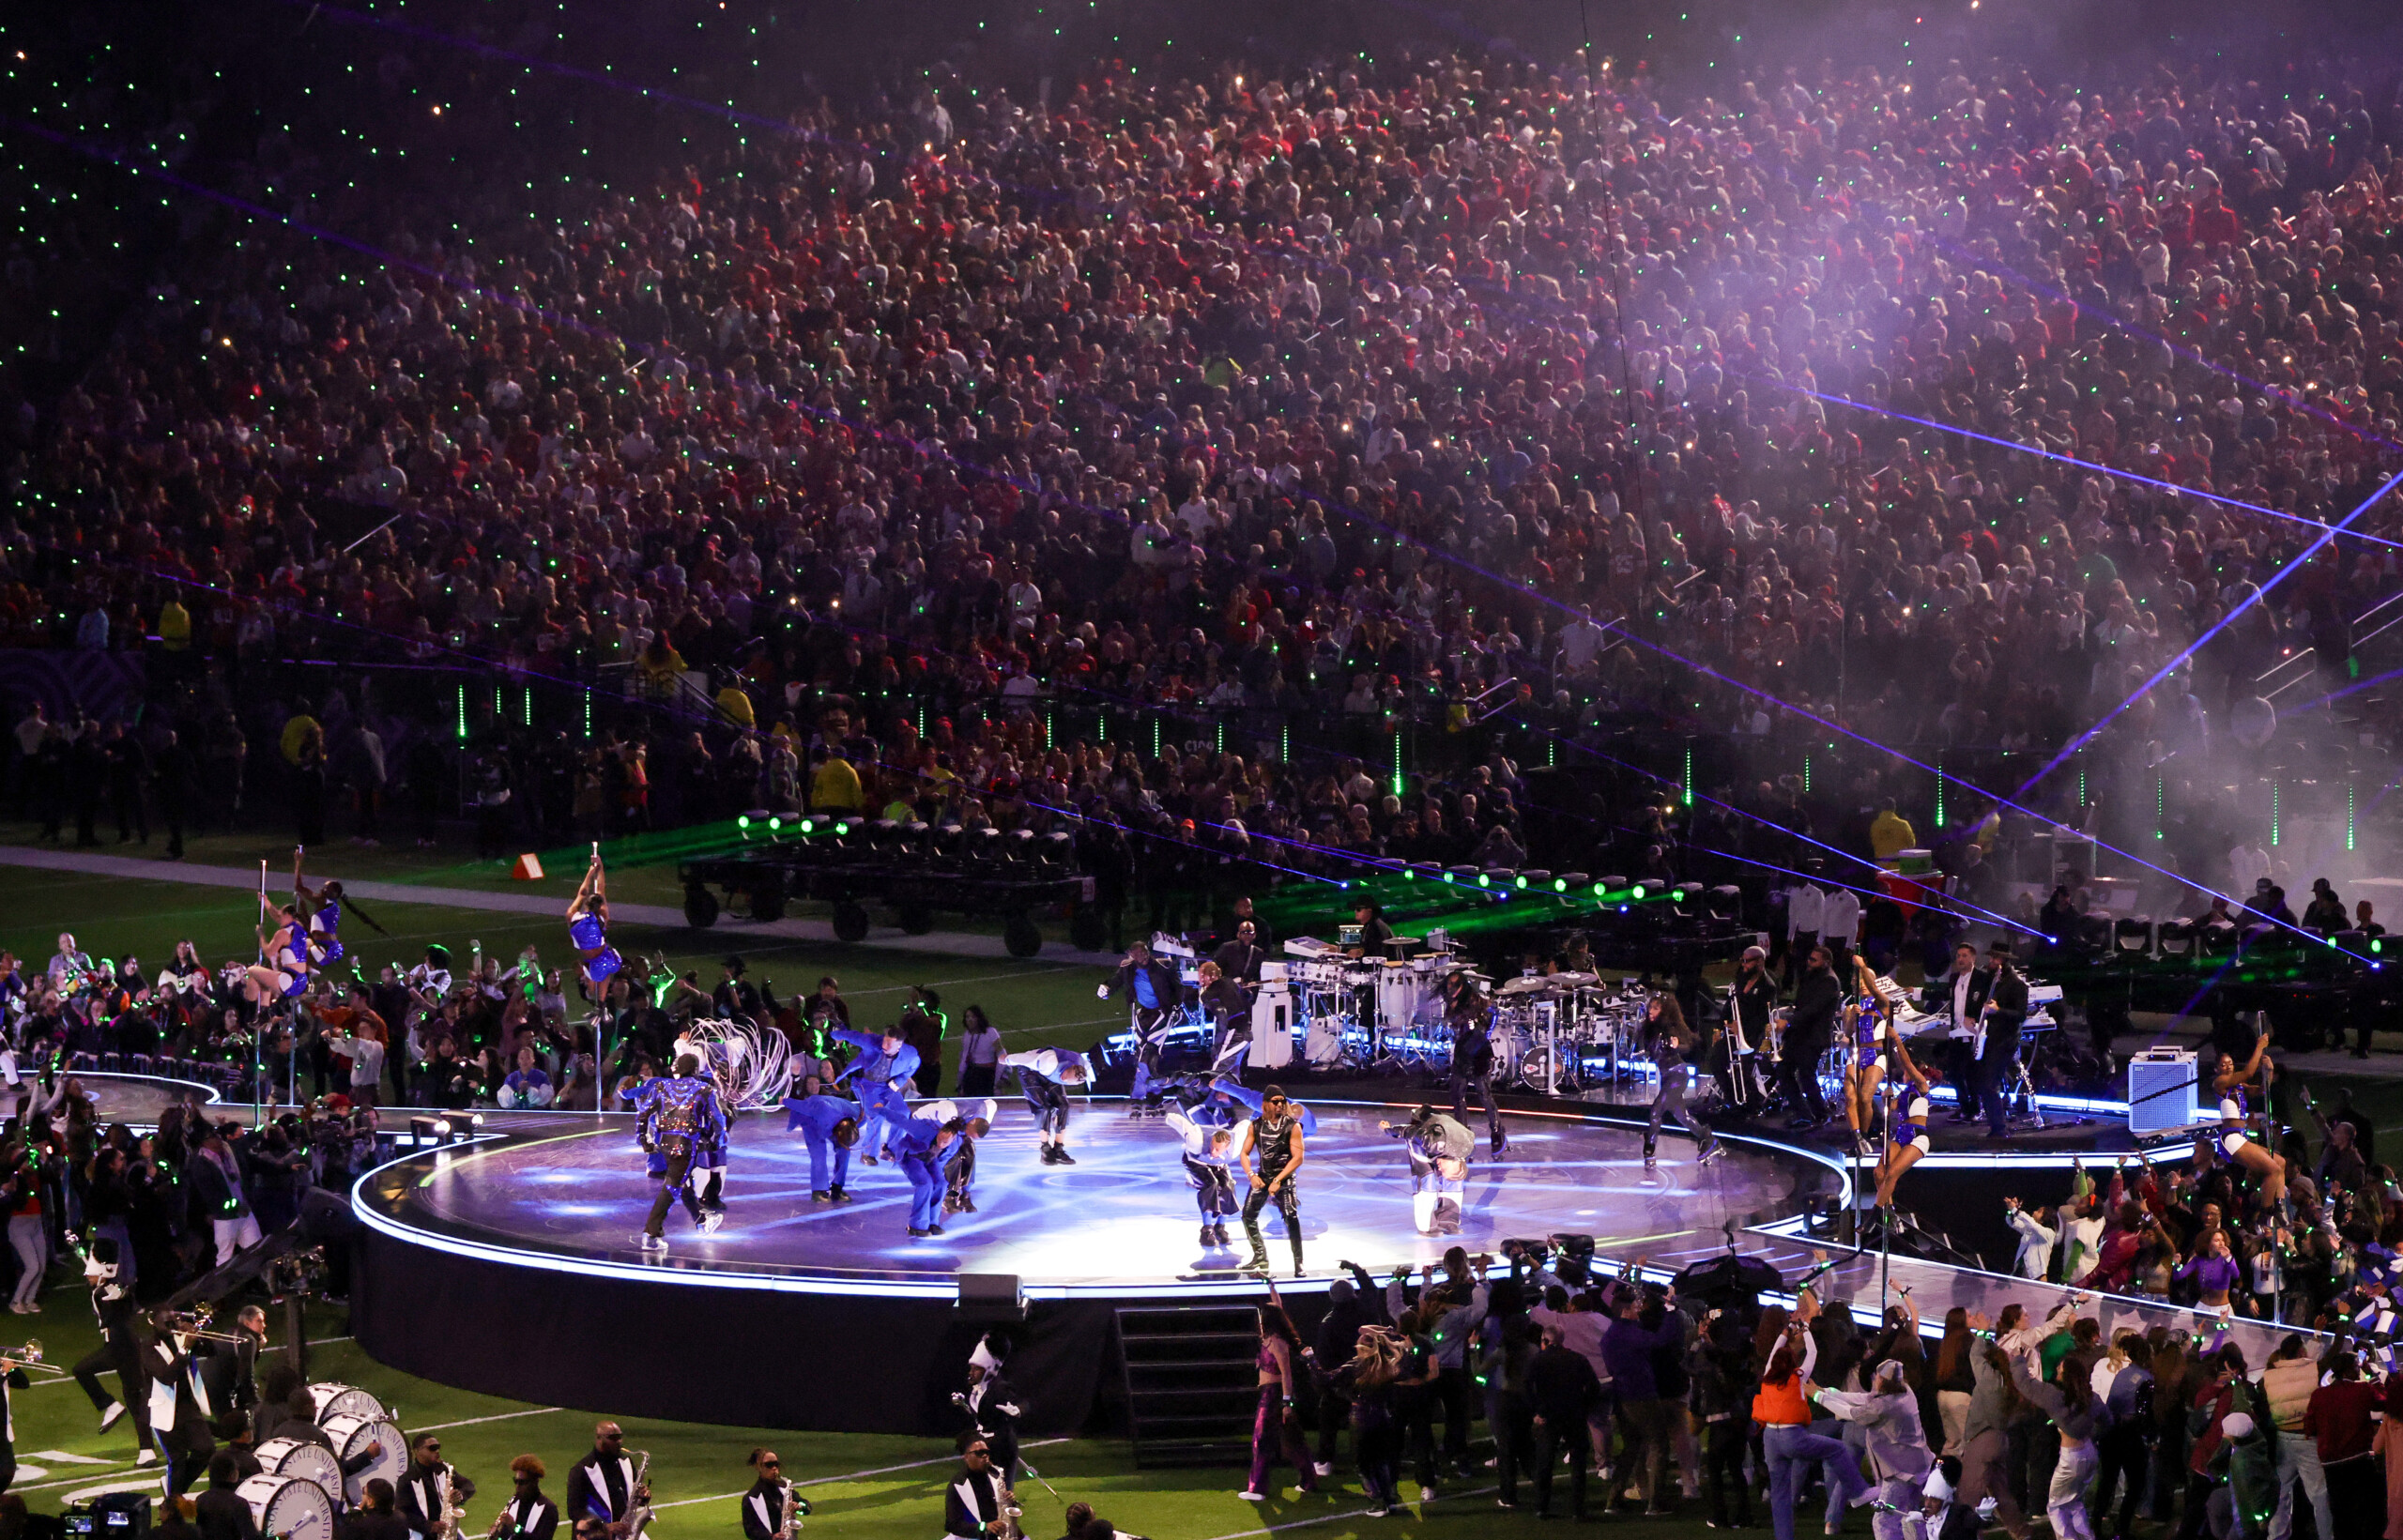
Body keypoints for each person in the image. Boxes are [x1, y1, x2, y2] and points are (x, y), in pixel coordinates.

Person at [1753, 1291, 1873, 1540]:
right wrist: (1805, 1329)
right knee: (1837, 1450)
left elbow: (1776, 1351)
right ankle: (1858, 1491)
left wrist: (1786, 1332)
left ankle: (1783, 1537)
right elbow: (1813, 1352)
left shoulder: (1767, 1374)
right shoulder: (1798, 1377)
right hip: (1791, 1437)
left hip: (1770, 1442)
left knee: (1780, 1494)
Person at [1811, 1345, 1933, 1540]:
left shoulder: (1886, 1406)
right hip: (1917, 1464)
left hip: (1901, 1470)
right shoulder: (1904, 1391)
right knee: (1910, 1514)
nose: (1874, 1379)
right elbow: (1863, 1398)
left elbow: (1850, 1413)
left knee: (1883, 1519)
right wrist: (1826, 1391)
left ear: (1884, 1381)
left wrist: (1817, 1396)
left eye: (1877, 1377)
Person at [631, 1053, 727, 1250]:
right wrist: (717, 1142)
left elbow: (642, 1113)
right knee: (673, 1186)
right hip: (686, 1147)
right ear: (695, 1069)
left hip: (665, 1145)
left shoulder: (661, 1086)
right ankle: (651, 1233)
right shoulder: (704, 1089)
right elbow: (718, 1120)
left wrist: (643, 1140)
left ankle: (701, 1221)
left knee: (682, 1182)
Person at [71, 1236, 153, 1461]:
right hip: (125, 1345)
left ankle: (110, 1406)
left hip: (120, 1346)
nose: (86, 1275)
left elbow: (113, 1313)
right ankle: (146, 1450)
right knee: (134, 1396)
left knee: (82, 1370)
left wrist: (119, 1296)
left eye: (90, 1272)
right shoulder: (108, 1288)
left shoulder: (106, 1291)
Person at [1239, 1287, 1316, 1502]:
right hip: (1270, 1393)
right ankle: (1309, 1481)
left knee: (1261, 1439)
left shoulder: (1279, 1344)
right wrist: (1270, 1285)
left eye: (1263, 1318)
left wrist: (1286, 1403)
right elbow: (1278, 1307)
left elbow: (1287, 1375)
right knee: (1293, 1440)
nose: (1260, 1321)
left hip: (1274, 1396)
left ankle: (1257, 1488)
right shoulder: (1268, 1338)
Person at [2202, 1035, 2288, 1200]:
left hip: (2241, 1136)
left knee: (2280, 1162)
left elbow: (2263, 1090)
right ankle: (2268, 1210)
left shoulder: (2240, 1087)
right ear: (2216, 1069)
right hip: (2231, 1137)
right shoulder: (2219, 1083)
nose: (2227, 1067)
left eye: (2230, 1064)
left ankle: (2280, 1204)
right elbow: (2248, 1072)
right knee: (2272, 1170)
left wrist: (2269, 1071)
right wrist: (2259, 1047)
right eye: (2223, 1064)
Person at [143, 1307, 216, 1497]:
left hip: (187, 1405)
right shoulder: (148, 1347)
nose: (172, 1327)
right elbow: (166, 1376)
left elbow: (211, 1351)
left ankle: (174, 1490)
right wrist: (186, 1348)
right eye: (166, 1324)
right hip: (164, 1408)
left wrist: (198, 1334)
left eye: (173, 1322)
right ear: (155, 1324)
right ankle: (173, 1504)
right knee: (178, 1459)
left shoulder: (182, 1337)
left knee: (206, 1449)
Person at [1639, 992, 1719, 1166]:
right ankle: (1709, 1140)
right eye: (1650, 1007)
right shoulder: (1651, 1030)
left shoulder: (1670, 1028)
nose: (1651, 1011)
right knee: (1683, 1117)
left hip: (1678, 1075)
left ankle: (1649, 1149)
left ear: (1664, 1011)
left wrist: (1676, 1046)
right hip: (1667, 1077)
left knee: (1656, 1111)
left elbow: (1686, 1046)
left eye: (1655, 1008)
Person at [1096, 941, 1182, 1101]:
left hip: (1165, 1012)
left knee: (1149, 1049)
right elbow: (1114, 982)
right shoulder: (1127, 968)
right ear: (1131, 955)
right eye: (1137, 954)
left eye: (1144, 953)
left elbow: (1178, 988)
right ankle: (1153, 1090)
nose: (1142, 957)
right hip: (1144, 1012)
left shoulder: (1163, 967)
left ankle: (1140, 1092)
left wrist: (1176, 1008)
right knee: (1142, 1052)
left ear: (1148, 952)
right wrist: (1105, 989)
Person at [1235, 1086, 1306, 1277]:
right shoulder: (1256, 1125)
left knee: (1291, 1217)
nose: (1280, 1105)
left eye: (1282, 1101)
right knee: (1248, 1216)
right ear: (1265, 1104)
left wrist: (1279, 1179)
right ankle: (1260, 1257)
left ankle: (1298, 1263)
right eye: (1275, 1101)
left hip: (1285, 1177)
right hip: (1263, 1175)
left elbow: (1298, 1157)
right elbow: (1244, 1153)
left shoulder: (1293, 1126)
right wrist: (1251, 1175)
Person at [1870, 1032, 1941, 1214]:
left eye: (1906, 1074)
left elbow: (1906, 1063)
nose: (1903, 1075)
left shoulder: (1922, 1086)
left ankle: (1874, 1215)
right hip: (1901, 1135)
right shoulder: (1903, 1093)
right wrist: (1885, 1097)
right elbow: (1891, 1108)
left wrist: (1896, 1042)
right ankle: (1890, 1210)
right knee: (1879, 1173)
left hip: (1917, 1136)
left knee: (1892, 1173)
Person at [831, 1024, 921, 1165]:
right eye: (884, 1040)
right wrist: (835, 1034)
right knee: (876, 1114)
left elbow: (914, 1065)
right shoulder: (872, 1042)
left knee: (903, 1113)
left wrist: (900, 1079)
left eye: (889, 1043)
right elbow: (853, 1036)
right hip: (867, 1084)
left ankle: (890, 1148)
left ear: (899, 1045)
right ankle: (868, 1153)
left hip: (888, 1086)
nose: (884, 1045)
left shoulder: (909, 1054)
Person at [1378, 1105, 1473, 1236]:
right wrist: (1388, 1129)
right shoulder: (1431, 1141)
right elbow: (1408, 1130)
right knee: (1426, 1178)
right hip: (1421, 1131)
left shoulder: (1465, 1149)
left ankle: (1448, 1220)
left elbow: (1452, 1169)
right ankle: (1426, 1226)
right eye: (1443, 1169)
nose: (1439, 1170)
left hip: (1443, 1135)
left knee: (1455, 1180)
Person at [1972, 940, 2030, 1138]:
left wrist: (1998, 1010)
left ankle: (1999, 1129)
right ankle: (1995, 1125)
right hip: (1989, 1038)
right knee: (1984, 1083)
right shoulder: (1993, 981)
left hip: (2004, 1041)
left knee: (1990, 1084)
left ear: (2004, 961)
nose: (1991, 961)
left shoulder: (2017, 985)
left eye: (1995, 958)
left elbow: (2021, 1015)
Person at [1779, 945, 1841, 1128]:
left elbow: (1813, 1010)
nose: (1809, 962)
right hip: (1799, 1034)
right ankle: (1803, 1113)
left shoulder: (1829, 981)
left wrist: (1789, 1022)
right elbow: (1801, 1004)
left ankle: (1820, 1114)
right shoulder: (1810, 976)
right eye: (1809, 958)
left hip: (1813, 1036)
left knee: (1806, 1076)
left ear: (1826, 962)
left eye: (1814, 960)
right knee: (1784, 1071)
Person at [1162, 1105, 1238, 1249]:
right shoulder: (1196, 1140)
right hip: (1195, 1161)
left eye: (1218, 1149)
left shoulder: (1234, 1148)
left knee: (1229, 1186)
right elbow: (1181, 1123)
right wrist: (1169, 1118)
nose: (1213, 1151)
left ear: (1227, 1147)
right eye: (1212, 1146)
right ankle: (1207, 1229)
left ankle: (1220, 1227)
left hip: (1219, 1165)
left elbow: (1244, 1126)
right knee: (1211, 1184)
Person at [1445, 980, 1505, 1153]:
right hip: (1463, 1052)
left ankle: (1496, 1131)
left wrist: (1486, 1033)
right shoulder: (1455, 1005)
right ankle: (1463, 1135)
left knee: (1484, 1093)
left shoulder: (1480, 1003)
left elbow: (1495, 1012)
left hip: (1479, 1052)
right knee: (1457, 1095)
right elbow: (1453, 1021)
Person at [1001, 1047, 1089, 1165]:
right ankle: (1045, 1149)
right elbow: (1025, 1058)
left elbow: (1068, 1077)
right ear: (1069, 1068)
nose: (1064, 1079)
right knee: (1043, 1108)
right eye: (1066, 1075)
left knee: (1063, 1106)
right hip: (1030, 1070)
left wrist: (1064, 1077)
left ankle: (1058, 1149)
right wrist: (1006, 1059)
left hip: (1052, 1074)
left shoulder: (1082, 1070)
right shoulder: (1048, 1062)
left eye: (1067, 1080)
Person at [951, 1338, 1022, 1481]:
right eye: (971, 1367)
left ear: (988, 1369)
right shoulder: (977, 1391)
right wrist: (964, 1404)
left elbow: (1023, 1403)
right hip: (984, 1444)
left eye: (976, 1368)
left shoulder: (1000, 1388)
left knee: (1001, 1490)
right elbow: (981, 1417)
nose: (971, 1372)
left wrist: (1017, 1410)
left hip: (1000, 1446)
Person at [562, 1424, 644, 1538]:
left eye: (620, 1437)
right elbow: (574, 1511)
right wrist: (604, 1526)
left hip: (624, 1533)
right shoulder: (581, 1470)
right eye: (613, 1438)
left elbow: (634, 1498)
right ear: (598, 1438)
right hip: (593, 1536)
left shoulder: (626, 1462)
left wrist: (643, 1496)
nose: (619, 1441)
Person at [781, 1092, 864, 1201]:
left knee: (844, 1151)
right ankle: (818, 1190)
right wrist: (784, 1101)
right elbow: (802, 1106)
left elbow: (866, 1116)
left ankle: (837, 1187)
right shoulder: (822, 1110)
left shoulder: (856, 1113)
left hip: (836, 1123)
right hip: (809, 1119)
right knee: (819, 1153)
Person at [396, 1434, 471, 1540]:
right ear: (417, 1451)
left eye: (437, 1447)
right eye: (432, 1448)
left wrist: (460, 1495)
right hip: (422, 1533)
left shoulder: (442, 1469)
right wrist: (429, 1526)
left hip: (446, 1529)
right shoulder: (407, 1479)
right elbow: (402, 1514)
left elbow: (468, 1486)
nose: (436, 1451)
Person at [566, 853, 622, 989]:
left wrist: (590, 873)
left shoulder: (573, 918)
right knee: (603, 974)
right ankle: (601, 1001)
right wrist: (600, 867)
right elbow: (600, 891)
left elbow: (582, 893)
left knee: (594, 982)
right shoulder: (602, 917)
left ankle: (599, 1001)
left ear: (586, 905)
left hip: (593, 964)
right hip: (609, 961)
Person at [941, 1438, 1010, 1540]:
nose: (984, 1456)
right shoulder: (957, 1485)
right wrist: (984, 1527)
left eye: (986, 1452)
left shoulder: (995, 1478)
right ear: (966, 1457)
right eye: (979, 1453)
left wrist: (1009, 1502)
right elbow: (953, 1525)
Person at [194, 1452, 262, 1540]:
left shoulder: (201, 1499)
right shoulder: (239, 1503)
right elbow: (252, 1537)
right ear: (232, 1475)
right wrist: (277, 1538)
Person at [493, 1456, 560, 1540]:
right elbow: (505, 1536)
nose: (517, 1486)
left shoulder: (549, 1509)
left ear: (534, 1482)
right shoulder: (513, 1503)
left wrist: (515, 1528)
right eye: (516, 1481)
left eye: (522, 1482)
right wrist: (496, 1537)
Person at [739, 1451, 796, 1540]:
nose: (774, 1468)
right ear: (760, 1467)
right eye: (769, 1465)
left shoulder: (785, 1488)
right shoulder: (750, 1498)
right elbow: (750, 1531)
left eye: (776, 1464)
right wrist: (771, 1537)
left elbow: (807, 1507)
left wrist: (800, 1507)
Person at [955, 1006, 1003, 1097]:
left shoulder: (991, 1033)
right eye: (967, 1017)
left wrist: (999, 1079)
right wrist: (960, 1082)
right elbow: (964, 1058)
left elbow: (1001, 1054)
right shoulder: (967, 1034)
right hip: (972, 1073)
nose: (970, 1020)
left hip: (986, 1074)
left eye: (973, 1017)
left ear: (979, 1018)